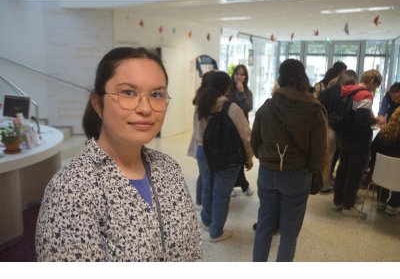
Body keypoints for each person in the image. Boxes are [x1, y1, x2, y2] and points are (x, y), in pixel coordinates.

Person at [35, 47, 202, 261]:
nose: (145, 108)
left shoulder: (169, 169)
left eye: (156, 94)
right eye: (128, 92)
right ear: (98, 103)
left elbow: (194, 249)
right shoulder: (71, 189)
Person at [251, 59, 328, 262]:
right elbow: (319, 154)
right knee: (289, 234)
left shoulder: (267, 106)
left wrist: (267, 157)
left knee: (264, 226)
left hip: (268, 173)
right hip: (298, 175)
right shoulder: (314, 111)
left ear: (280, 78)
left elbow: (255, 142)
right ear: (303, 78)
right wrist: (312, 170)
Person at [195, 71, 253, 243]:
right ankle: (216, 232)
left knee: (208, 186)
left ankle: (206, 221)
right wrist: (249, 157)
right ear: (227, 87)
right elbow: (246, 136)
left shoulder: (202, 104)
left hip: (203, 151)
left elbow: (199, 132)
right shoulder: (232, 108)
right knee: (222, 194)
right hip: (226, 156)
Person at [333, 69, 382, 218]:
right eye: (377, 85)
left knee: (342, 169)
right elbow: (361, 119)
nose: (375, 89)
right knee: (354, 173)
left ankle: (338, 200)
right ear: (372, 81)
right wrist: (375, 120)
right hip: (358, 140)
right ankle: (348, 206)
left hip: (345, 137)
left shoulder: (347, 90)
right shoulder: (365, 94)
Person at [318, 70, 358, 193]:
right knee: (329, 159)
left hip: (321, 126)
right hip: (332, 129)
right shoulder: (342, 94)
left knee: (321, 157)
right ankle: (324, 185)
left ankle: (318, 182)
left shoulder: (327, 91)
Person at [187, 71, 213, 206]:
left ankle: (199, 200)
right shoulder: (205, 101)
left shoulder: (201, 97)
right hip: (203, 144)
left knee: (203, 174)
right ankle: (202, 202)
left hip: (200, 143)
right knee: (206, 177)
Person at [228, 64, 255, 197]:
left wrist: (242, 92)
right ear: (233, 75)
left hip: (242, 128)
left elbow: (248, 107)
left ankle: (240, 184)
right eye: (237, 74)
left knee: (242, 156)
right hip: (229, 128)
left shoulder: (247, 92)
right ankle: (240, 185)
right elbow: (229, 106)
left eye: (243, 74)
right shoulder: (227, 90)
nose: (240, 77)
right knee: (233, 157)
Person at [369, 106, 400, 215]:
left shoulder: (382, 135)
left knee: (388, 167)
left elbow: (372, 154)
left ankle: (381, 200)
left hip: (379, 176)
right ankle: (394, 204)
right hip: (397, 182)